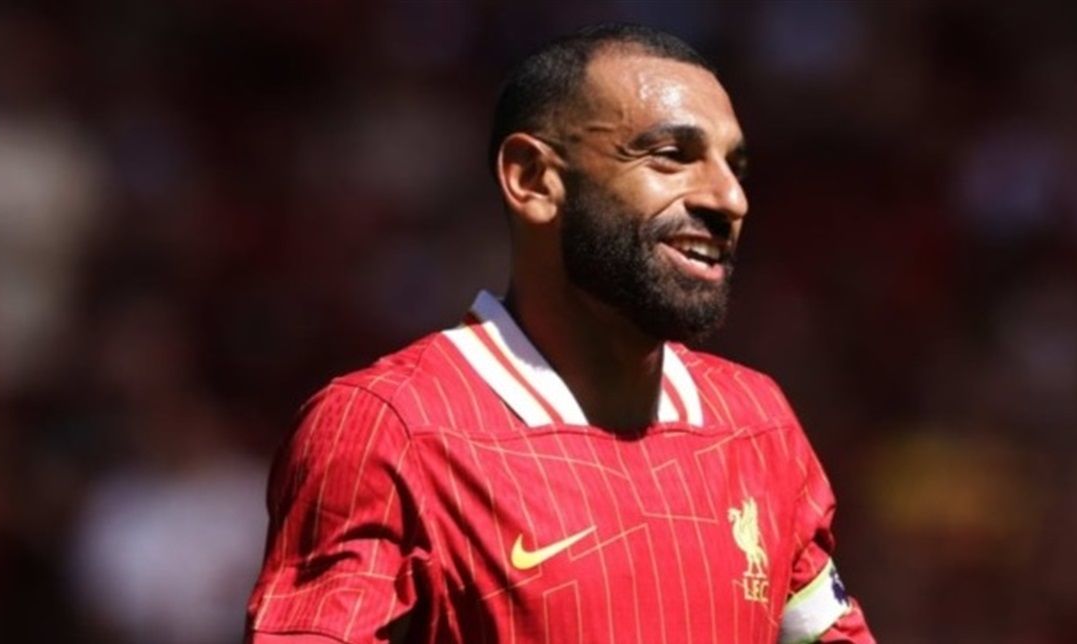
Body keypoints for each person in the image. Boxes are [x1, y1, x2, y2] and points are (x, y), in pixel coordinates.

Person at [245, 23, 876, 643]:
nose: (730, 199)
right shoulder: (391, 430)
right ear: (532, 179)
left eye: (734, 166)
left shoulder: (757, 426)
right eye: (671, 156)